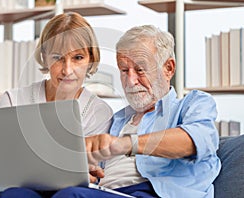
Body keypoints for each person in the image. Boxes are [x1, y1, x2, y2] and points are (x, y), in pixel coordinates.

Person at [21, 25, 219, 198]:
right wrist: (85, 171)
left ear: (168, 68)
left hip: (152, 192)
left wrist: (125, 144)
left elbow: (196, 140)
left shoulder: (193, 104)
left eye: (140, 69)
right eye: (124, 71)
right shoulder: (117, 119)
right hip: (104, 191)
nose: (130, 80)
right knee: (18, 193)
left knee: (71, 195)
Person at [0, 12, 112, 198]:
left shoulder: (99, 113)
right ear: (44, 57)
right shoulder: (13, 100)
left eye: (78, 58)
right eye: (58, 57)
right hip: (15, 190)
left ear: (91, 59)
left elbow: (92, 172)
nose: (67, 69)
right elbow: (4, 166)